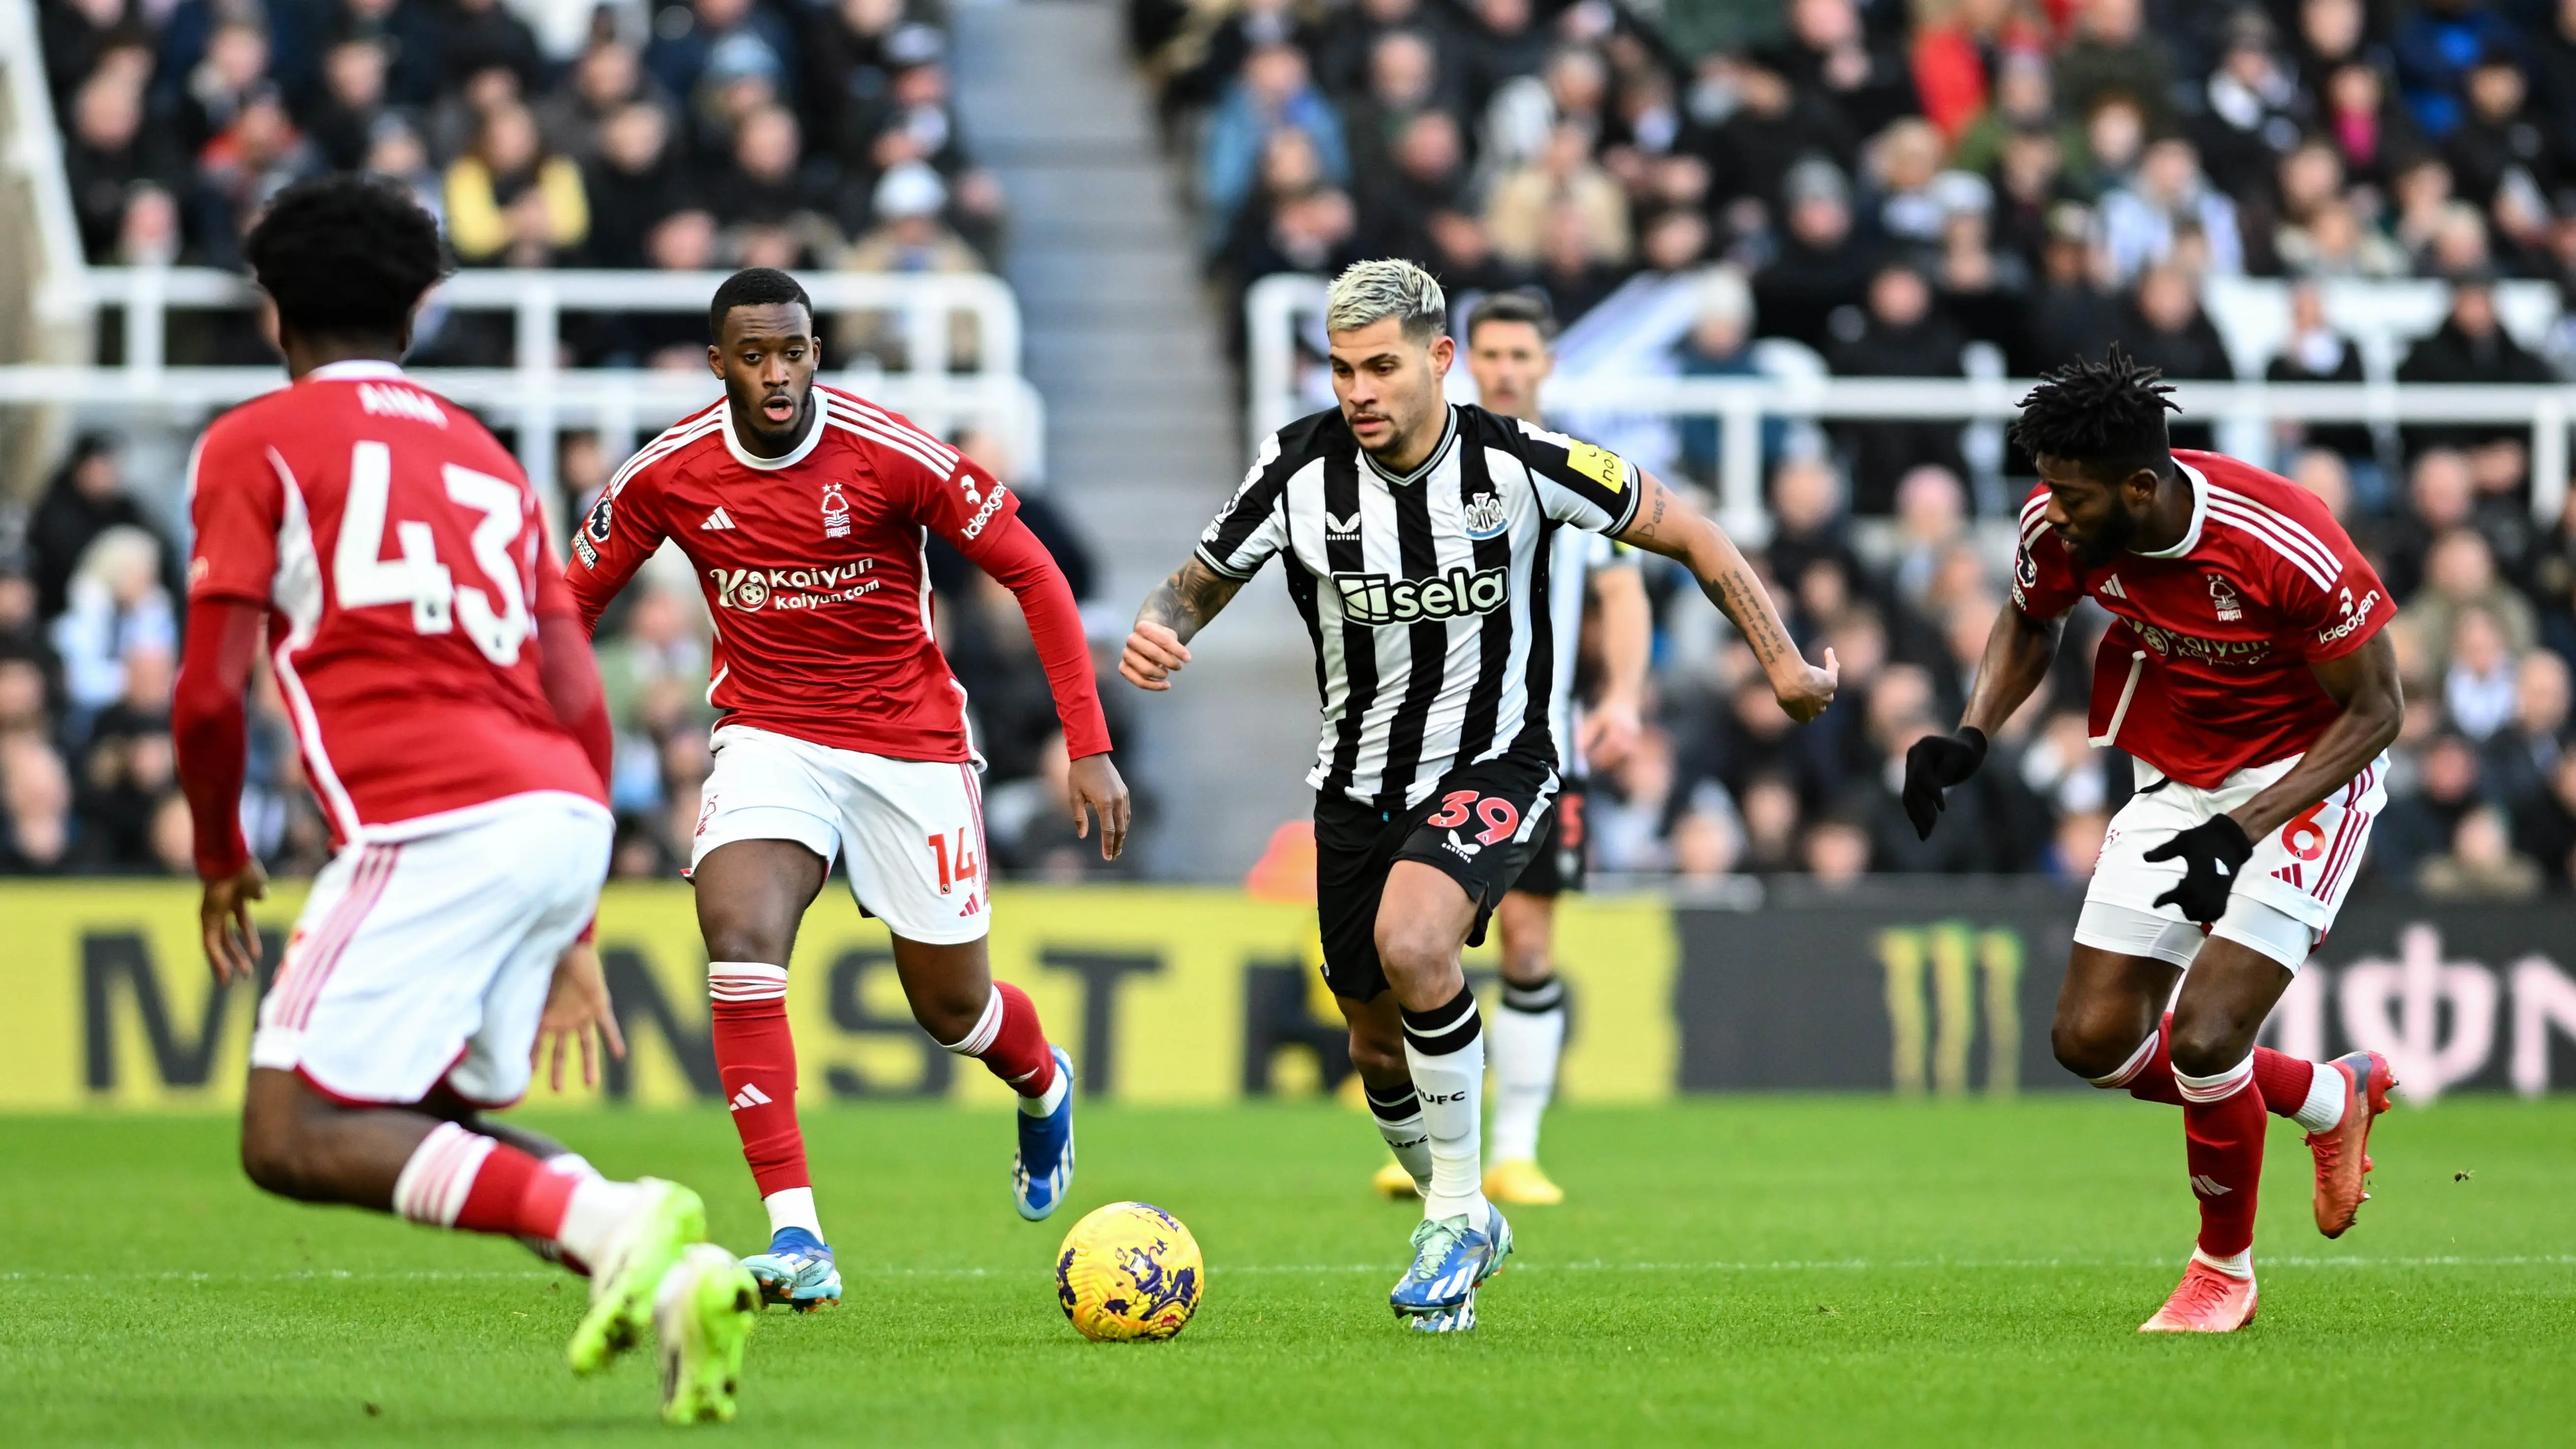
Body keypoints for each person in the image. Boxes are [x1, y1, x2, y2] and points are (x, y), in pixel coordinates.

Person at [1120, 259, 1834, 1332]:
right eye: (1340, 368)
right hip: (1354, 785)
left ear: (1439, 361)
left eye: (1380, 367)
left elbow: (1689, 530)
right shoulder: (1296, 470)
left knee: (1418, 947)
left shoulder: (1525, 462)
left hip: (1498, 762)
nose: (1357, 390)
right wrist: (1161, 627)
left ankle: (1456, 1214)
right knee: (1371, 1039)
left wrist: (1782, 664)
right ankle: (1457, 1204)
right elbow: (1197, 580)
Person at [169, 175, 753, 1423]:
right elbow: (578, 696)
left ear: (273, 309)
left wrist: (221, 854)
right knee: (416, 1112)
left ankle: (617, 1216)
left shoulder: (253, 443)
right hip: (556, 812)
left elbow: (212, 698)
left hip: (432, 821)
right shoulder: (483, 457)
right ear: (420, 309)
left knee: (290, 1130)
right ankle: (671, 1279)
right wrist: (577, 919)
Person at [564, 268, 1129, 1314]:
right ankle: (797, 1236)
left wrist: (1084, 741)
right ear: (718, 364)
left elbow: (1035, 573)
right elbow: (565, 612)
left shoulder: (888, 452)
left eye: (794, 350)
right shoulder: (668, 475)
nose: (777, 373)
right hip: (769, 734)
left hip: (910, 747)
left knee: (951, 1009)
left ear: (815, 353)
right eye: (755, 355)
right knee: (735, 934)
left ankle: (1043, 1081)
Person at [1901, 350, 2403, 1334]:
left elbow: (2378, 711)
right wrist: (1971, 734)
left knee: (2210, 1034)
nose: (2055, 512)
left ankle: (2224, 1273)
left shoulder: (2285, 541)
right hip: (2179, 779)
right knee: (2089, 1042)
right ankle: (2324, 1096)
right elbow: (2028, 620)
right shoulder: (2065, 525)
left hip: (2307, 781)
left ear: (2142, 486)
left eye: (2074, 495)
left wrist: (2242, 830)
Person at [1364, 291, 1650, 1208]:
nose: (1509, 368)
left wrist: (1623, 697)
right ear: (1460, 359)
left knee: (1527, 937)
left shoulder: (1573, 468)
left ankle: (1515, 1150)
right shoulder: (1422, 461)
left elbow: (1623, 592)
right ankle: (1440, 1144)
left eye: (1524, 353)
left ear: (1547, 363)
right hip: (1423, 752)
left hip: (1536, 747)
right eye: (1493, 353)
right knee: (1417, 940)